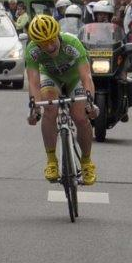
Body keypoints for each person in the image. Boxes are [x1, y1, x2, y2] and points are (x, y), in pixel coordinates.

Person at [25, 14, 98, 185]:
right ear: (36, 43)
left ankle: (86, 162)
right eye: (43, 44)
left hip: (74, 79)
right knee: (49, 109)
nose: (49, 47)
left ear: (57, 34)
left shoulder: (71, 43)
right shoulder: (32, 50)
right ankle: (51, 161)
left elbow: (86, 77)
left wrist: (90, 103)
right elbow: (34, 83)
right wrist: (35, 109)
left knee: (81, 117)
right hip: (50, 78)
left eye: (51, 40)